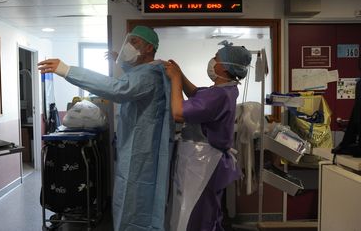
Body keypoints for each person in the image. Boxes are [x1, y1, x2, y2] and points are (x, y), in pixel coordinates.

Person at [37, 25, 174, 231]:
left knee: (134, 201)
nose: (129, 45)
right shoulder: (146, 71)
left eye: (134, 42)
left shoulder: (149, 75)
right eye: (129, 40)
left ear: (148, 48)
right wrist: (119, 59)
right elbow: (131, 77)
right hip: (137, 148)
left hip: (141, 152)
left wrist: (67, 70)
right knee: (130, 198)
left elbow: (119, 88)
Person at [164, 41, 252, 231]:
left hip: (202, 162)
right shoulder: (223, 90)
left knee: (194, 213)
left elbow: (178, 112)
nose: (212, 61)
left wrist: (174, 80)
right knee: (202, 210)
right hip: (203, 159)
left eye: (216, 58)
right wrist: (179, 73)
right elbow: (196, 94)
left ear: (226, 67)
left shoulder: (219, 95)